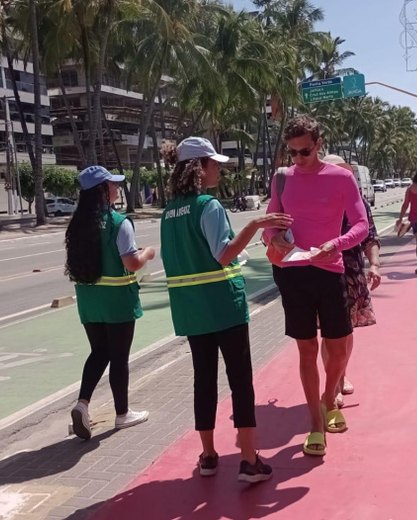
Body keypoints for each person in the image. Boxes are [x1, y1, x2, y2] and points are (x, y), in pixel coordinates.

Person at [160, 137, 291, 482]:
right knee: (239, 381)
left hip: (191, 311)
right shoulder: (209, 206)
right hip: (223, 307)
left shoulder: (170, 211)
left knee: (204, 381)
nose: (219, 169)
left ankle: (207, 455)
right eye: (215, 164)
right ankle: (249, 460)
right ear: (200, 168)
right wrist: (255, 225)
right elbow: (224, 254)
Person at [263, 115, 369, 457]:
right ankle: (315, 422)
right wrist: (274, 237)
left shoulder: (341, 178)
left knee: (337, 348)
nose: (297, 159)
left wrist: (335, 245)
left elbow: (361, 225)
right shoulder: (281, 178)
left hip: (328, 268)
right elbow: (269, 223)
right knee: (306, 349)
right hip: (292, 273)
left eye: (304, 152)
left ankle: (328, 399)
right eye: (291, 152)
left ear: (319, 144)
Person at [66, 166, 156, 441]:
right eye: (113, 185)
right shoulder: (119, 222)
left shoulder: (77, 224)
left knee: (98, 353)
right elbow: (131, 262)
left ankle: (82, 404)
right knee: (118, 358)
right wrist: (148, 254)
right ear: (103, 191)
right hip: (117, 302)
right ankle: (122, 413)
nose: (117, 189)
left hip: (89, 303)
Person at [319, 155, 382, 409]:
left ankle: (341, 375)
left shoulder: (359, 202)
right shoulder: (316, 202)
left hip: (353, 275)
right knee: (329, 333)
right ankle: (332, 386)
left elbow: (370, 237)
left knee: (347, 332)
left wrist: (375, 265)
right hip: (323, 274)